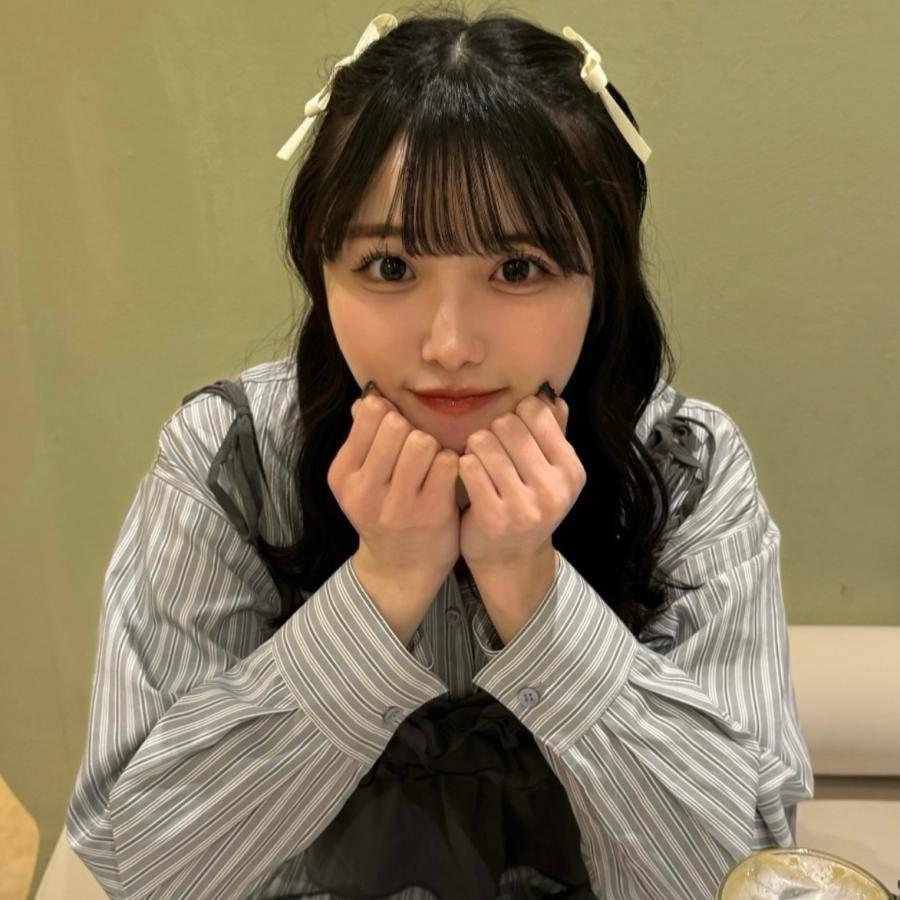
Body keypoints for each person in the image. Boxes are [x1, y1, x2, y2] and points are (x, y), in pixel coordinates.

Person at [64, 6, 814, 899]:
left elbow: (746, 878)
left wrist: (532, 589)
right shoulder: (232, 459)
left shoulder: (685, 468)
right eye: (390, 269)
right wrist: (383, 584)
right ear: (322, 271)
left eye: (517, 268)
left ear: (602, 278)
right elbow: (144, 868)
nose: (450, 345)